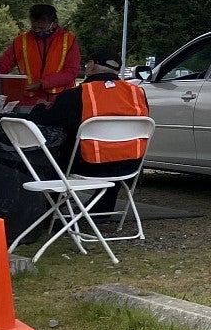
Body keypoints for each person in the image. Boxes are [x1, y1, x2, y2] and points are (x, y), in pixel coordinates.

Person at [30, 48, 150, 211]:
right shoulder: (138, 93)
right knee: (117, 150)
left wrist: (39, 108)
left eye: (87, 64)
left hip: (87, 164)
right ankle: (103, 207)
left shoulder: (76, 94)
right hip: (130, 165)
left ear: (92, 65)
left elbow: (45, 120)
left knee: (52, 152)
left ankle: (52, 207)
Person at [0, 3, 82, 108]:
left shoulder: (68, 40)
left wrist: (42, 83)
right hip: (29, 102)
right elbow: (2, 66)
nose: (37, 30)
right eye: (34, 26)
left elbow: (70, 72)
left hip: (59, 101)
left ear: (54, 23)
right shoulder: (21, 41)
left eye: (41, 27)